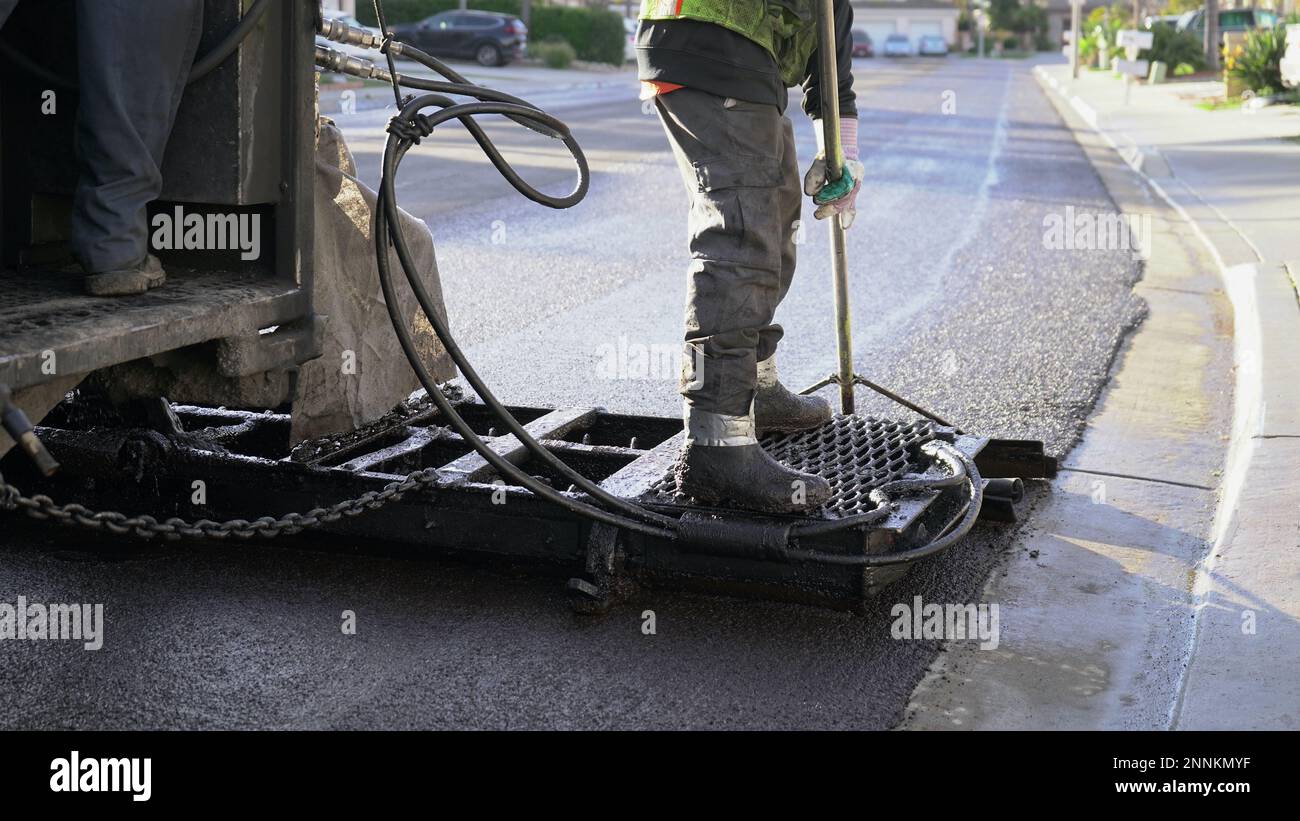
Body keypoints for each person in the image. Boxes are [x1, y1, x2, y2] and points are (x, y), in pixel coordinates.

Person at [637, 0, 864, 513]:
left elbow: (831, 42)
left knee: (775, 221)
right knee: (741, 241)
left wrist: (840, 149)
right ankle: (718, 444)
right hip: (716, 44)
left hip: (740, 62)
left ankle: (756, 389)